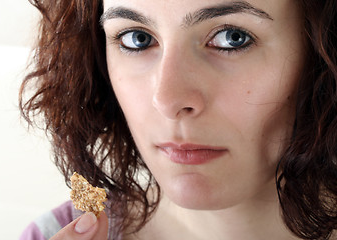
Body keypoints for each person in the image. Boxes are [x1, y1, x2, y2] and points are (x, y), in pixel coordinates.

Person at [19, 0, 337, 239]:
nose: (167, 100)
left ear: (321, 55)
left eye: (232, 37)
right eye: (136, 38)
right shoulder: (53, 234)